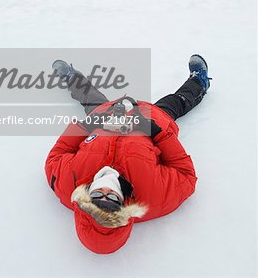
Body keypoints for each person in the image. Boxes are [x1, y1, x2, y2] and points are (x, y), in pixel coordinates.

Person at [45, 54, 211, 254]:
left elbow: (57, 154)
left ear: (85, 201)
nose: (106, 192)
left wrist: (88, 125)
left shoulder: (67, 183)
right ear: (123, 206)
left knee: (89, 97)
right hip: (150, 122)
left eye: (98, 197)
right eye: (112, 201)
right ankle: (198, 82)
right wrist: (157, 133)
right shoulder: (154, 197)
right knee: (175, 103)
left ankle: (71, 77)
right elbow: (186, 175)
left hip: (106, 117)